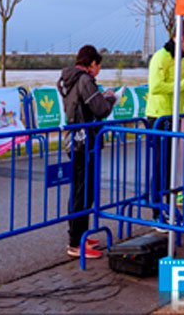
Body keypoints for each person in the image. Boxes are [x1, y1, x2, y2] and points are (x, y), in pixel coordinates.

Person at [58, 45, 116, 259]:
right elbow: (100, 109)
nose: (98, 70)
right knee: (84, 190)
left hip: (74, 140)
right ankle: (75, 243)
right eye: (98, 66)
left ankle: (79, 234)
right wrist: (110, 98)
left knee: (80, 188)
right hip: (86, 142)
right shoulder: (84, 80)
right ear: (92, 64)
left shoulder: (67, 79)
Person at [146, 19, 184, 224]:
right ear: (179, 38)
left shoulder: (180, 59)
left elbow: (179, 86)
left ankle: (168, 209)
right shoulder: (160, 57)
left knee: (170, 167)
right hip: (158, 118)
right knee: (160, 167)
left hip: (173, 117)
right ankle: (156, 212)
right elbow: (155, 87)